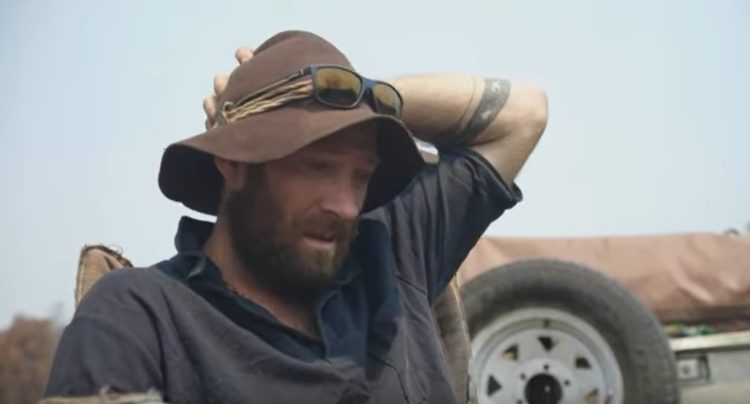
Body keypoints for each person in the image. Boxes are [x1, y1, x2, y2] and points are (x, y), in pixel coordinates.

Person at [44, 30, 547, 403]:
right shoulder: (141, 314)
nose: (345, 206)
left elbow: (523, 115)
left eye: (360, 176)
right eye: (317, 167)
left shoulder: (394, 251)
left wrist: (360, 94)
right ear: (234, 163)